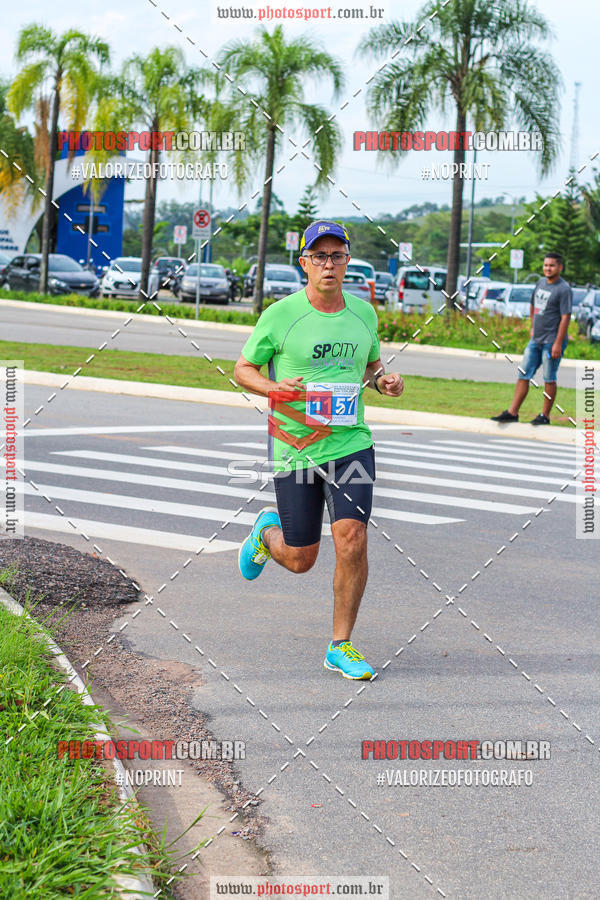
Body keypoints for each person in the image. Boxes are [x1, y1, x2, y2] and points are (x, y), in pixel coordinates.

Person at [233, 221, 404, 680]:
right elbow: (243, 369)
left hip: (351, 443)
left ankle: (340, 645)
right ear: (304, 263)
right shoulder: (281, 315)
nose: (329, 264)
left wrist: (385, 382)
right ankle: (266, 534)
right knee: (300, 559)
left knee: (352, 538)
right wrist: (275, 388)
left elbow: (371, 367)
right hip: (296, 447)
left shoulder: (364, 314)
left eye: (337, 256)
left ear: (347, 262)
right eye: (320, 256)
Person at [491, 252, 572, 425]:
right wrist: (533, 326)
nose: (548, 268)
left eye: (552, 265)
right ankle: (512, 413)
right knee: (523, 373)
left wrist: (558, 343)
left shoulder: (564, 289)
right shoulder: (540, 283)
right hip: (536, 339)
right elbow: (533, 304)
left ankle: (545, 416)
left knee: (549, 377)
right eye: (546, 265)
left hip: (552, 341)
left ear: (560, 267)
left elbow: (565, 317)